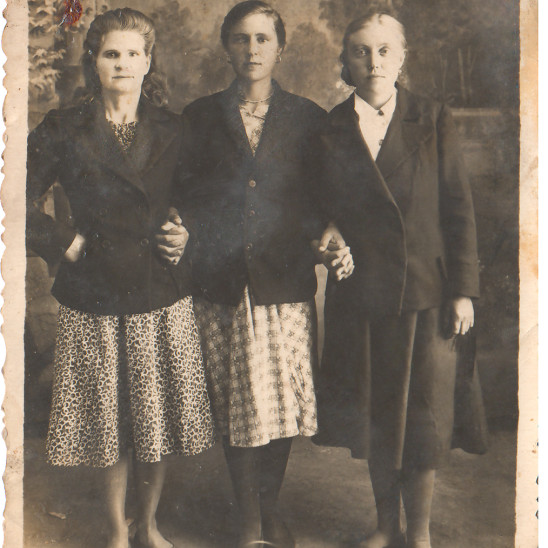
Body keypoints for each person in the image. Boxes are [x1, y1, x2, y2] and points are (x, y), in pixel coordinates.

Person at [155, 2, 351, 546]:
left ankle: (269, 508)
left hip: (282, 281)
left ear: (280, 49)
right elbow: (182, 193)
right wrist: (180, 226)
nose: (252, 49)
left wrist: (326, 232)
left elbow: (323, 197)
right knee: (239, 404)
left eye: (263, 39)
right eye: (241, 38)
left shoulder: (308, 118)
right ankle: (248, 522)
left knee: (279, 403)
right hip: (221, 281)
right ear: (226, 47)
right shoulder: (199, 116)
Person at [26, 9, 214, 548]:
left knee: (153, 420)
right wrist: (63, 241)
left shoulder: (174, 128)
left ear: (149, 62)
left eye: (134, 54)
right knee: (108, 422)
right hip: (95, 292)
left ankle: (148, 526)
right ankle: (114, 530)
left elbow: (204, 199)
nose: (123, 64)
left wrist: (186, 230)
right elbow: (9, 193)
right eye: (112, 53)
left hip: (159, 289)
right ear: (94, 61)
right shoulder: (64, 127)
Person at [312, 10, 484, 548]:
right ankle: (386, 527)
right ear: (345, 60)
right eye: (361, 51)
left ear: (402, 58)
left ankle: (421, 533)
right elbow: (318, 206)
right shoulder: (331, 128)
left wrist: (463, 290)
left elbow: (459, 208)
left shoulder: (432, 118)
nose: (374, 62)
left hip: (426, 291)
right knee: (378, 417)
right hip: (364, 294)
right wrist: (328, 232)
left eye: (384, 50)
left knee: (422, 420)